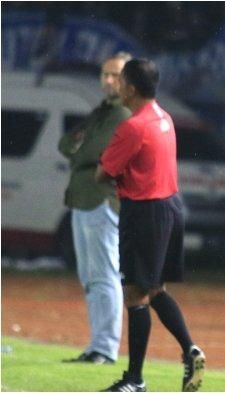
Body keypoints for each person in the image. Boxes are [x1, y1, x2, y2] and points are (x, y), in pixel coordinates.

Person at [96, 58, 205, 392]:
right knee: (155, 289)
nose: (115, 86)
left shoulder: (133, 126)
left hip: (143, 211)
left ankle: (135, 380)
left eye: (120, 81)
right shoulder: (164, 118)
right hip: (170, 207)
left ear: (130, 87)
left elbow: (103, 173)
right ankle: (190, 350)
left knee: (135, 293)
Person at [59, 52, 132, 365]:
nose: (108, 81)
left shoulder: (122, 114)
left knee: (104, 274)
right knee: (90, 275)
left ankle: (105, 347)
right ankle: (97, 345)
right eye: (105, 75)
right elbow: (65, 143)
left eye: (115, 75)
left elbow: (90, 149)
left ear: (130, 79)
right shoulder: (104, 111)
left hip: (103, 199)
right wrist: (82, 149)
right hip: (83, 197)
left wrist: (82, 148)